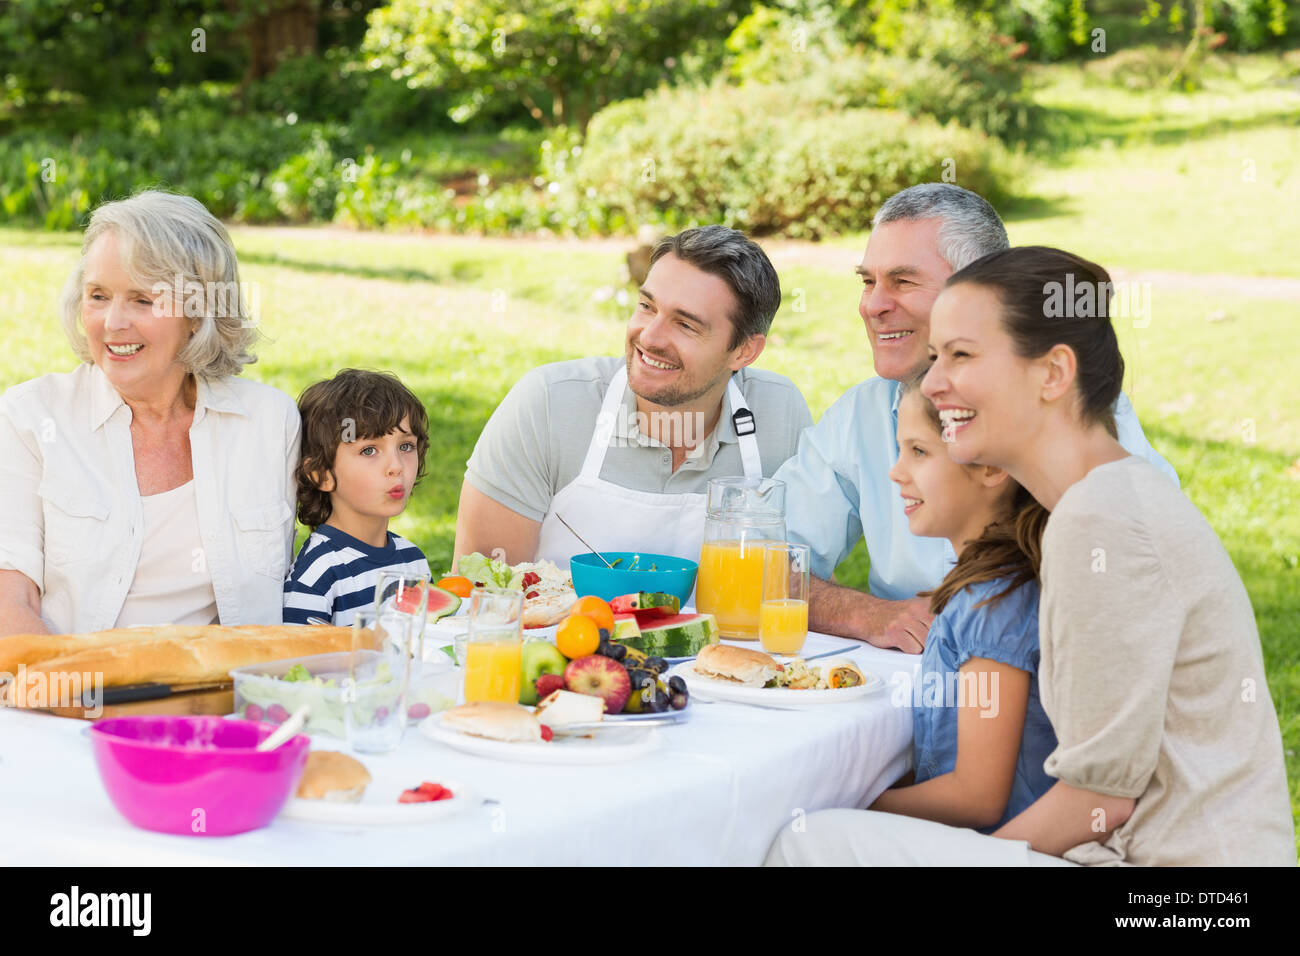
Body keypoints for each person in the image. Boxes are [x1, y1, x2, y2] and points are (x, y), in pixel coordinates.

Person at [767, 246, 1295, 866]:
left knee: (813, 841)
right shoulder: (1097, 501)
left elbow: (1100, 799)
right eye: (936, 357)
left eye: (960, 356)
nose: (934, 383)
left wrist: (959, 853)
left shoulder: (1100, 523)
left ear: (1051, 375)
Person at [773, 183, 1177, 652]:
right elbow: (765, 556)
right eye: (868, 281)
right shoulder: (860, 414)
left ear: (977, 291)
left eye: (902, 281)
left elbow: (1142, 584)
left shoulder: (1071, 418)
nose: (872, 305)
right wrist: (869, 614)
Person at [0, 190, 300, 636]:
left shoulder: (269, 422)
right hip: (67, 692)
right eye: (98, 296)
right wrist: (70, 694)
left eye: (143, 300)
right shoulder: (30, 418)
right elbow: (11, 600)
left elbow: (345, 543)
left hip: (226, 697)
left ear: (198, 312)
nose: (112, 322)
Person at [453, 225, 812, 570]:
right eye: (647, 307)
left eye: (685, 324)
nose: (650, 338)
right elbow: (482, 592)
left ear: (744, 352)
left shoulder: (779, 415)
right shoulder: (547, 405)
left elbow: (800, 586)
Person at [868, 372, 1056, 831]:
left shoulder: (991, 604)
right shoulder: (986, 586)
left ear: (991, 466)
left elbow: (977, 798)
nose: (896, 471)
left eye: (919, 451)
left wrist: (854, 804)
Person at [282, 369, 433, 626]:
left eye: (405, 446)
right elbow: (301, 663)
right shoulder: (317, 575)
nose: (396, 466)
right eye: (369, 450)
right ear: (321, 474)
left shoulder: (413, 560)